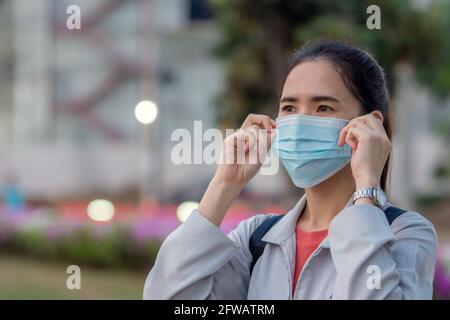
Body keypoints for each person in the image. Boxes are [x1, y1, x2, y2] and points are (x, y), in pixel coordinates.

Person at [143, 40, 437, 300]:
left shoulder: (405, 233)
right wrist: (225, 184)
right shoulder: (256, 239)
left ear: (371, 124)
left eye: (323, 108)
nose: (298, 123)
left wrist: (367, 185)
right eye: (289, 108)